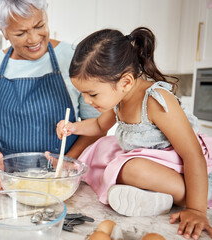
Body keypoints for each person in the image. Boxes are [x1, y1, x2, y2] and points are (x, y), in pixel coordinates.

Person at [56, 27, 212, 239]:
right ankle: (155, 198)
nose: (86, 100)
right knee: (102, 148)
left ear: (126, 82)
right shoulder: (119, 96)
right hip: (153, 162)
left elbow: (193, 155)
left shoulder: (155, 101)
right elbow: (100, 127)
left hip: (184, 166)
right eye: (82, 94)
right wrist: (73, 127)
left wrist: (196, 210)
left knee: (131, 169)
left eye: (92, 94)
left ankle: (182, 197)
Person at [0, 0, 101, 191]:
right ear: (2, 29)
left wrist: (67, 163)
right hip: (8, 186)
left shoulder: (74, 59)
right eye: (20, 33)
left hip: (62, 182)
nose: (33, 39)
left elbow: (96, 126)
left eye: (39, 26)